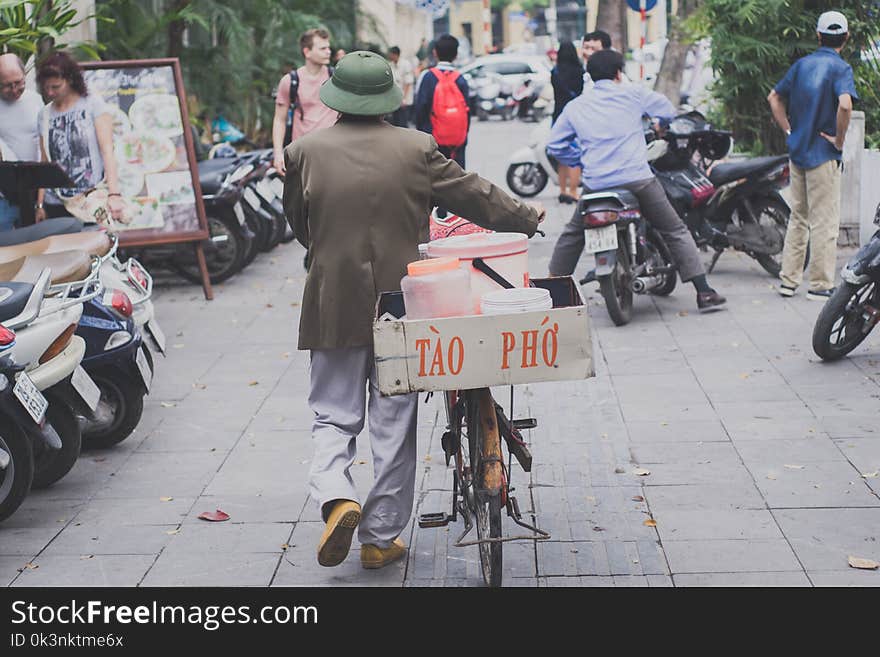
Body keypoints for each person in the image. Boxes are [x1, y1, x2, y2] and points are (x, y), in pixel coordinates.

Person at [282, 51, 544, 570]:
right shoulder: (416, 148)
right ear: (386, 99)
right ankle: (380, 538)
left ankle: (338, 496)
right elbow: (474, 194)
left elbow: (300, 225)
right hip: (404, 304)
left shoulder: (303, 152)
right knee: (393, 421)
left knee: (333, 415)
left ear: (335, 96)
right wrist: (525, 215)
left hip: (331, 302)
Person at [547, 49, 726, 313]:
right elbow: (667, 110)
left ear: (590, 75)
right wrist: (659, 124)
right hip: (637, 180)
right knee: (674, 229)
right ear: (619, 73)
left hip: (596, 185)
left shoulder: (576, 107)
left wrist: (579, 159)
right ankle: (704, 291)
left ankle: (551, 293)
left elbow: (554, 144)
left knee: (572, 236)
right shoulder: (633, 94)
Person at [768, 10, 858, 300]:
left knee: (798, 217)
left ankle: (788, 281)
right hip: (823, 155)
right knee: (825, 222)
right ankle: (820, 285)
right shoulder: (840, 68)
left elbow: (774, 97)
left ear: (818, 35)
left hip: (799, 152)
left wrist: (789, 131)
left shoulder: (801, 65)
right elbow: (845, 105)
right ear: (845, 37)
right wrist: (839, 139)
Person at [34, 51, 123, 223]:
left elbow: (107, 151)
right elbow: (44, 162)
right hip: (56, 201)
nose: (50, 93)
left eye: (56, 87)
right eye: (46, 88)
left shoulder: (92, 104)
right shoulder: (44, 115)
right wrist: (39, 204)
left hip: (90, 201)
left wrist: (114, 194)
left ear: (70, 80)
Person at [272, 28, 338, 175]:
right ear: (307, 52)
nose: (328, 51)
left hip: (333, 154)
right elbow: (279, 120)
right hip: (303, 155)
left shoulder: (336, 79)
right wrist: (277, 154)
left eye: (328, 47)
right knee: (304, 197)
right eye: (323, 48)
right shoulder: (290, 81)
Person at [0, 53, 45, 228]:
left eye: (18, 83)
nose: (14, 89)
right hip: (5, 191)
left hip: (36, 185)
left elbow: (43, 144)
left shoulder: (35, 100)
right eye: (6, 86)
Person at [414, 34, 469, 168]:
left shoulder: (427, 77)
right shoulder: (461, 79)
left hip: (432, 141)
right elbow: (467, 112)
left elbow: (420, 109)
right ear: (456, 55)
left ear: (435, 52)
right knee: (458, 178)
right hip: (457, 143)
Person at [551, 41, 584, 205]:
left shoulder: (554, 72)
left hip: (558, 116)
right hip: (575, 115)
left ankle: (562, 190)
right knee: (575, 155)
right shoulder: (579, 71)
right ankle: (573, 191)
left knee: (561, 156)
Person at [388, 46, 414, 128]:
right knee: (395, 123)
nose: (389, 56)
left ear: (395, 55)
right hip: (394, 100)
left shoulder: (406, 64)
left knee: (403, 123)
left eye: (391, 54)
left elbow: (408, 82)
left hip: (404, 101)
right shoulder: (390, 65)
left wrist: (404, 99)